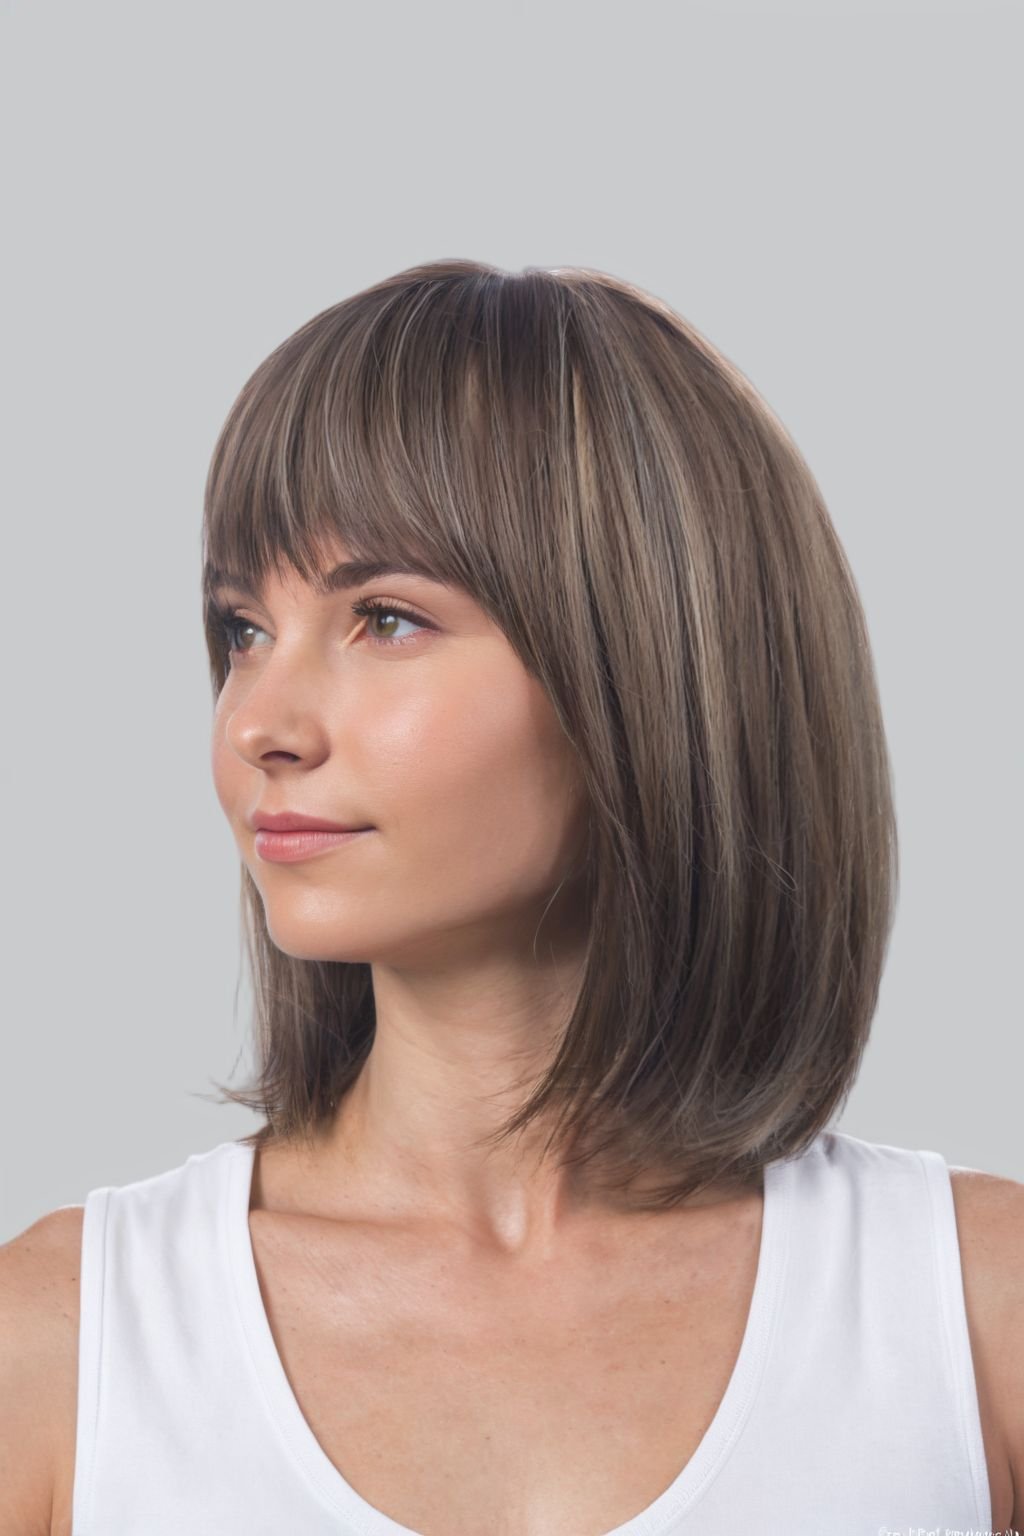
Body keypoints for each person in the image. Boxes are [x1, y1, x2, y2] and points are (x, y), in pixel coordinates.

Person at [2, 259, 1021, 1536]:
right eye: (242, 629)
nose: (258, 723)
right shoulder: (59, 1351)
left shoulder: (977, 1315)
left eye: (383, 618)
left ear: (646, 666)